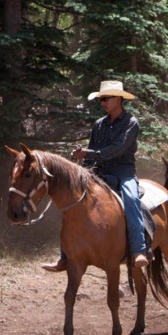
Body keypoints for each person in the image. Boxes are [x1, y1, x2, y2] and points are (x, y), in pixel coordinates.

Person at [42, 80, 149, 272]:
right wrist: (82, 168)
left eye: (106, 99)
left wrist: (88, 154)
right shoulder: (99, 124)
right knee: (72, 202)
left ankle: (138, 250)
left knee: (131, 198)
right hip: (98, 173)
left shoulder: (131, 123)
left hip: (123, 173)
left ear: (118, 99)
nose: (102, 103)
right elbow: (91, 151)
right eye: (101, 99)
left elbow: (117, 150)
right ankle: (64, 257)